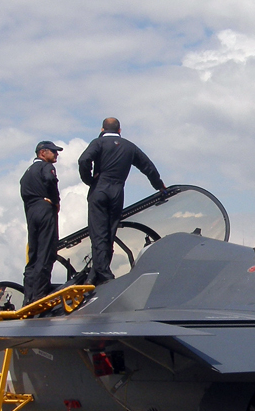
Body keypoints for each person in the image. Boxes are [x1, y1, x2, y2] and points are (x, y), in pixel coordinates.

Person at [78, 117, 164, 285]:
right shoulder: (129, 146)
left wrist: (89, 179)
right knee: (110, 232)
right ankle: (98, 272)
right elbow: (148, 167)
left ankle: (102, 273)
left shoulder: (98, 143)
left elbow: (83, 160)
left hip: (100, 189)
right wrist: (159, 186)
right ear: (119, 131)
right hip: (117, 191)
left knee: (98, 233)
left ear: (102, 129)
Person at [20, 140, 63, 305]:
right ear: (42, 153)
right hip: (45, 209)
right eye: (53, 151)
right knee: (46, 251)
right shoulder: (46, 167)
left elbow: (23, 190)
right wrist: (54, 200)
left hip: (31, 211)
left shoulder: (27, 172)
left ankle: (28, 296)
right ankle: (39, 294)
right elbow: (50, 180)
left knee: (33, 253)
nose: (56, 154)